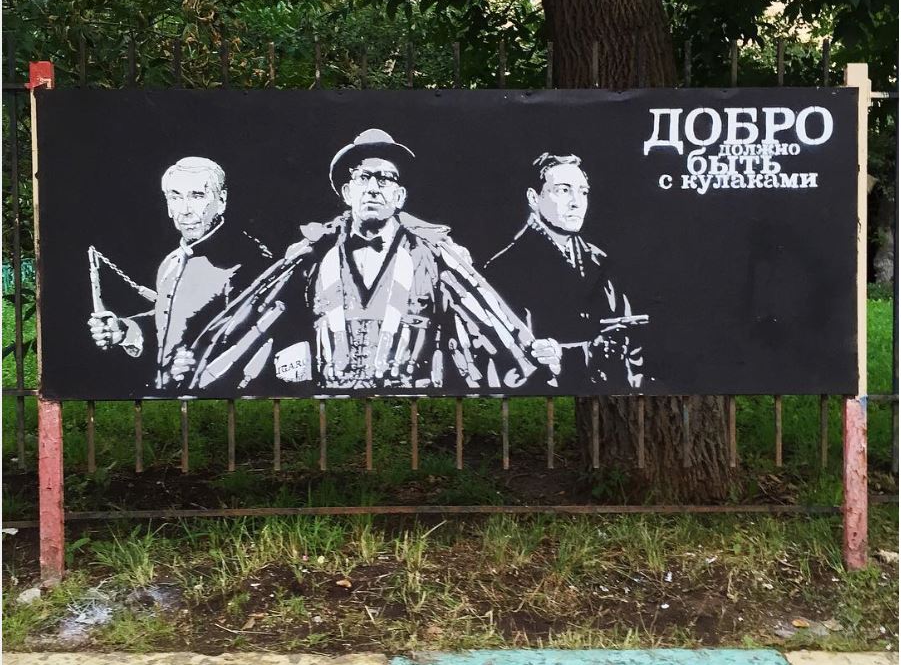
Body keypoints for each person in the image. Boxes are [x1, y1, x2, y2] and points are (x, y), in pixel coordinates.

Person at [190, 129, 561, 392]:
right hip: (330, 404)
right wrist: (200, 359)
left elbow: (484, 312)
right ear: (347, 191)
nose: (373, 187)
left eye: (385, 179)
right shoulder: (312, 255)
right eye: (363, 177)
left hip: (414, 405)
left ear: (400, 196)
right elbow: (258, 316)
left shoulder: (434, 255)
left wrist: (529, 350)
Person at [87, 156, 271, 390]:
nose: (184, 210)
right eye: (175, 197)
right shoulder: (171, 262)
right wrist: (126, 331)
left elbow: (255, 343)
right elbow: (171, 320)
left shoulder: (249, 261)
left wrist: (200, 363)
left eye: (197, 196)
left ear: (221, 201)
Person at [483, 152, 646, 392]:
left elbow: (633, 347)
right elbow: (506, 362)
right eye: (563, 190)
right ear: (534, 197)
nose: (576, 202)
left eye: (583, 192)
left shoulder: (600, 260)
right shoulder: (503, 269)